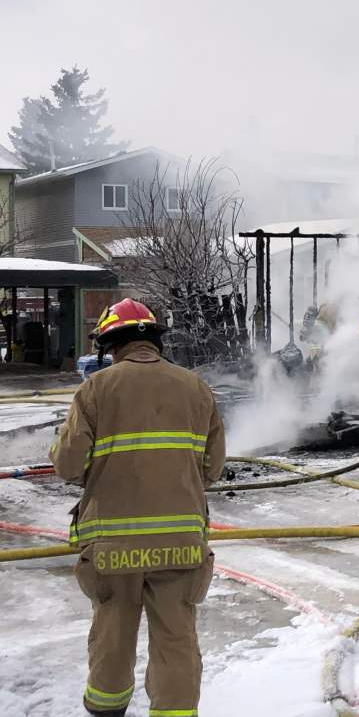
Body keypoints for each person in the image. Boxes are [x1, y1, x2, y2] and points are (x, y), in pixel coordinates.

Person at [49, 298, 226, 717]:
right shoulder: (196, 388)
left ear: (113, 345)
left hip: (113, 546)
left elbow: (68, 465)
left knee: (113, 632)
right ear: (155, 342)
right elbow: (213, 468)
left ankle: (107, 708)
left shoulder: (96, 388)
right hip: (182, 543)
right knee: (177, 638)